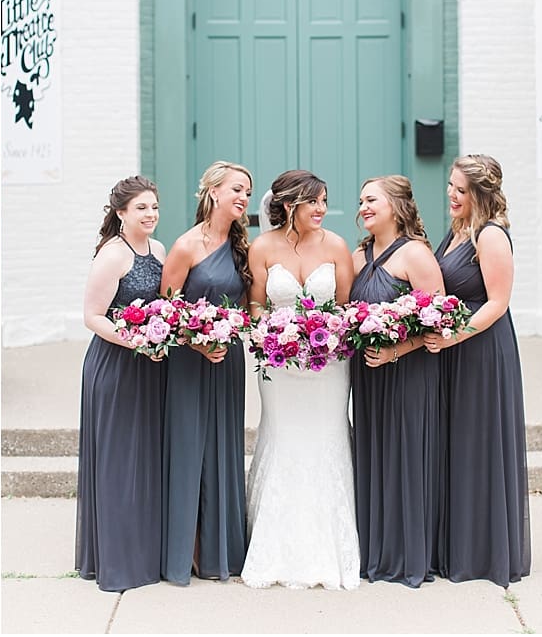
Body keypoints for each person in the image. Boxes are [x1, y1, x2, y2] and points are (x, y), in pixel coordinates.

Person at [240, 170, 359, 590]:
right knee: (285, 437)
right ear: (290, 204)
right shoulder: (262, 247)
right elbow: (255, 304)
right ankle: (276, 545)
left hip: (329, 366)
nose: (322, 210)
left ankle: (331, 547)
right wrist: (273, 333)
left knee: (326, 437)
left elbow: (346, 306)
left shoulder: (337, 245)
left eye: (325, 201)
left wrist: (325, 334)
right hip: (280, 368)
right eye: (314, 202)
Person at [424, 155, 530, 586]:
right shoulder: (455, 231)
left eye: (460, 190)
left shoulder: (491, 236)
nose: (451, 194)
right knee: (455, 442)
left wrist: (454, 336)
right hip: (454, 350)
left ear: (480, 194)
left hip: (482, 350)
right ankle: (454, 545)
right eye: (450, 186)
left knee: (478, 441)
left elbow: (497, 302)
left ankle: (483, 552)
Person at [349, 176, 445, 587]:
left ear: (396, 205)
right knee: (374, 454)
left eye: (372, 200)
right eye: (361, 201)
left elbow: (441, 317)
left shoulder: (415, 254)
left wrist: (396, 350)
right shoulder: (358, 255)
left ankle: (407, 556)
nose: (364, 207)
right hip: (367, 376)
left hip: (407, 371)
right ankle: (376, 551)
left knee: (404, 455)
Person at [159, 162, 253, 584]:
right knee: (190, 444)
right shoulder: (186, 246)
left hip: (227, 360)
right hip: (189, 360)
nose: (244, 198)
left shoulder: (240, 247)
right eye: (237, 189)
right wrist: (197, 340)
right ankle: (188, 546)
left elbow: (247, 305)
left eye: (248, 193)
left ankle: (222, 548)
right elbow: (164, 312)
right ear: (213, 191)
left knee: (223, 445)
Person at [76, 175, 168, 591]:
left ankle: (146, 553)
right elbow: (93, 317)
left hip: (151, 368)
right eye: (141, 209)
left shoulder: (160, 249)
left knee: (146, 456)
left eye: (153, 207)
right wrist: (136, 340)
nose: (150, 215)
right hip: (116, 366)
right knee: (118, 460)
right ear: (121, 214)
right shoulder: (113, 255)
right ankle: (118, 562)